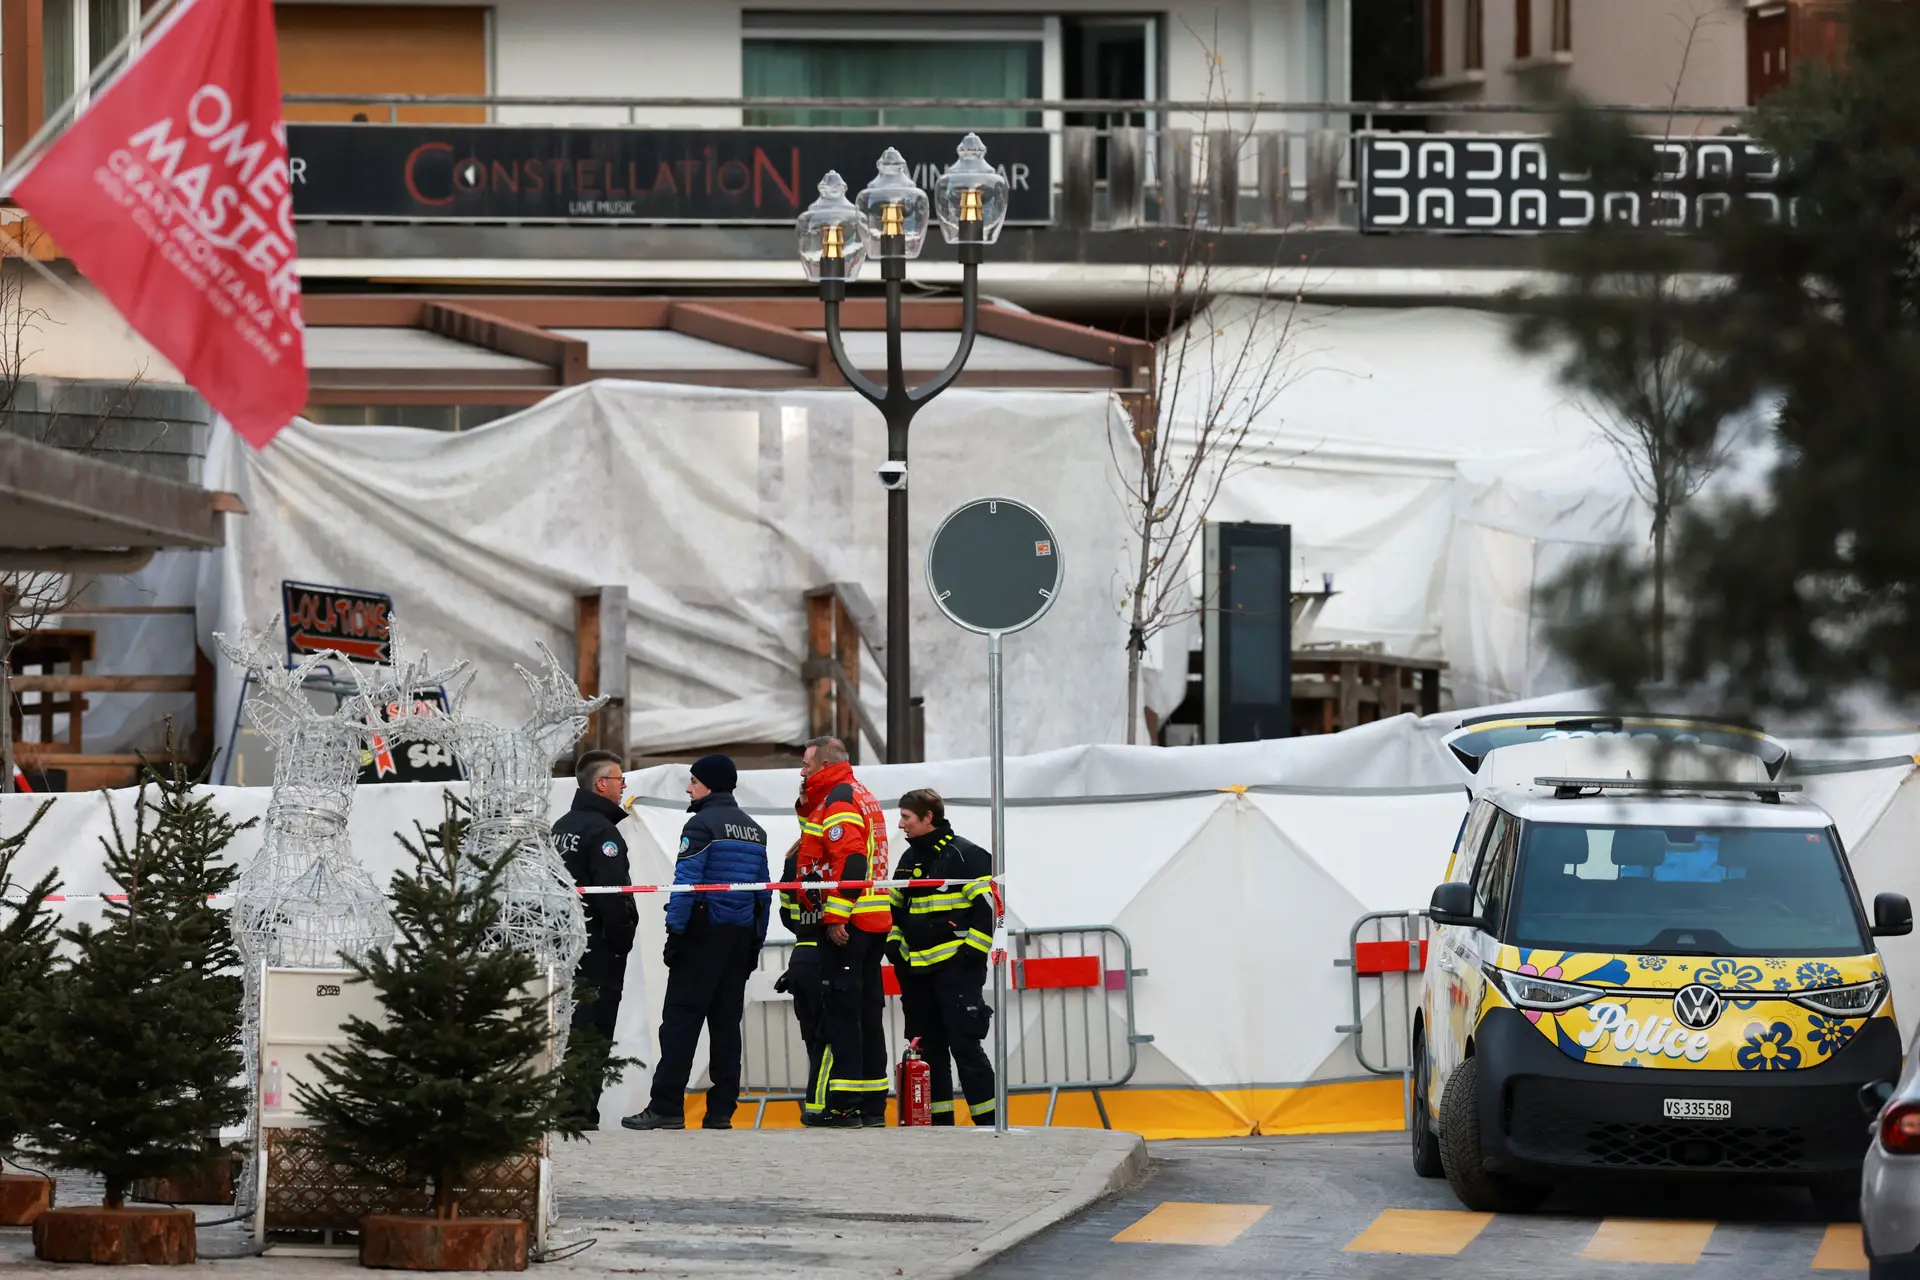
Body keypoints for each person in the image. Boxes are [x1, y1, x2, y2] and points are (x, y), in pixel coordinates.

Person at [624, 755, 771, 1131]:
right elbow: (763, 894)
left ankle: (666, 1107)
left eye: (693, 782)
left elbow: (687, 882)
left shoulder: (700, 825)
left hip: (703, 936)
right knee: (725, 1026)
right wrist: (756, 941)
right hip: (739, 938)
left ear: (708, 784)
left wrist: (676, 932)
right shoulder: (755, 830)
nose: (689, 789)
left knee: (679, 1023)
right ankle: (721, 1111)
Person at [794, 736, 892, 1126]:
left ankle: (845, 1105)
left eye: (806, 764)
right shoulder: (854, 794)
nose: (802, 771)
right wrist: (804, 801)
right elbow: (817, 839)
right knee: (867, 1015)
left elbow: (849, 859)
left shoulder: (839, 799)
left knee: (844, 1015)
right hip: (872, 919)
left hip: (851, 922)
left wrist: (836, 914)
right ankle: (871, 1106)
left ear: (823, 763)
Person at [887, 788, 997, 1126]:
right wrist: (895, 949)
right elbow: (894, 911)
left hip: (956, 972)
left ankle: (990, 1122)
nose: (901, 824)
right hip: (917, 974)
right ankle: (939, 1128)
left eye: (906, 817)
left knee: (965, 1046)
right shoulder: (907, 861)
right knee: (929, 1050)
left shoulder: (966, 855)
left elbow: (989, 911)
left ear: (927, 817)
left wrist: (969, 955)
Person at [551, 749, 638, 1129]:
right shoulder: (603, 832)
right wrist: (622, 938)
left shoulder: (561, 826)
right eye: (620, 781)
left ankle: (563, 1106)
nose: (623, 788)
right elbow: (612, 894)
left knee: (566, 1028)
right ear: (602, 784)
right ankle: (580, 1111)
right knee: (593, 1027)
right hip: (596, 947)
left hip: (563, 943)